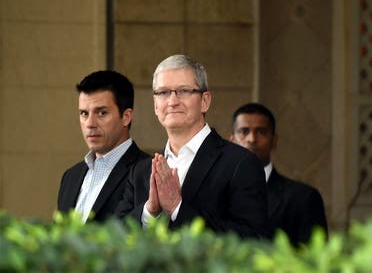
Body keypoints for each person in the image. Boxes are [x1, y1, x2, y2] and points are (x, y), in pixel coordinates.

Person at [115, 55, 269, 239]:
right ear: (155, 105)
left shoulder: (241, 163)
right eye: (163, 92)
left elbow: (252, 239)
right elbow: (115, 237)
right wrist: (149, 211)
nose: (172, 101)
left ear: (205, 101)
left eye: (184, 91)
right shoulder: (140, 170)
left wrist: (177, 208)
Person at [230, 102, 328, 246]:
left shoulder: (304, 198)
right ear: (231, 141)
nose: (251, 139)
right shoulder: (210, 194)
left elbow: (316, 261)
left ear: (274, 141)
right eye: (244, 131)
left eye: (261, 132)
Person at [57, 70, 149, 223]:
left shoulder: (147, 172)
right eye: (84, 113)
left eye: (101, 113)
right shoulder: (70, 177)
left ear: (126, 117)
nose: (90, 124)